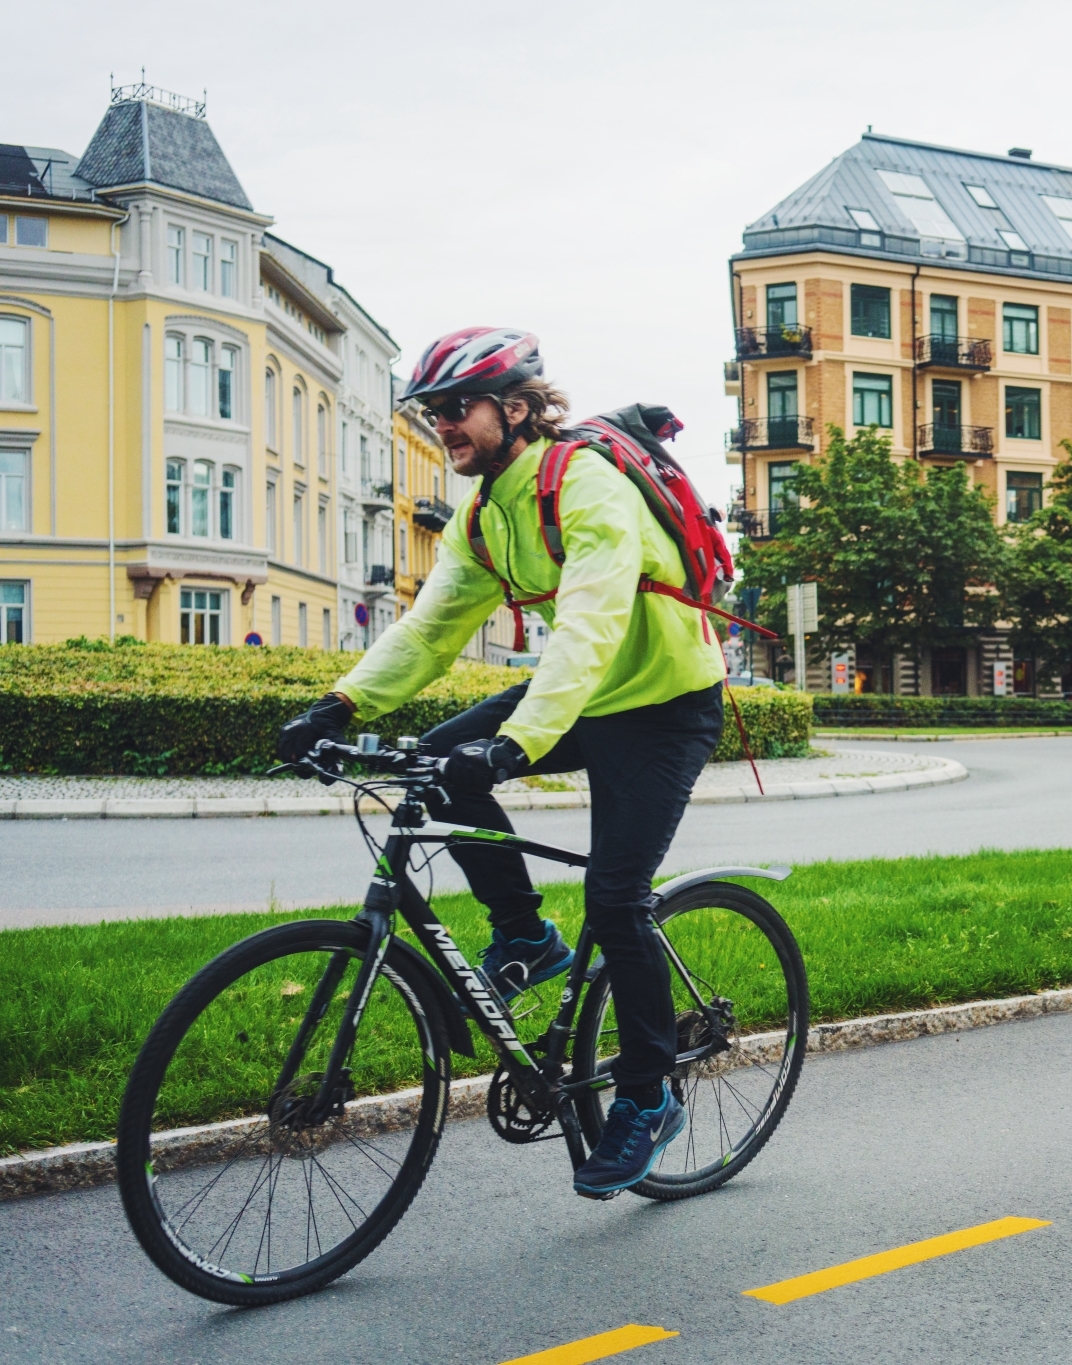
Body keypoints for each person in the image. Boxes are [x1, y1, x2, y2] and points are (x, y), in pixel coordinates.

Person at [276, 327, 727, 1198]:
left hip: (665, 706)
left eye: (456, 410)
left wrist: (516, 742)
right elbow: (432, 626)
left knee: (616, 894)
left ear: (515, 408)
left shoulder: (585, 482)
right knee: (441, 758)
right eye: (433, 413)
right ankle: (525, 936)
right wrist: (340, 704)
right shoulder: (489, 514)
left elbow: (592, 621)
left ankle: (647, 1094)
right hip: (586, 694)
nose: (443, 426)